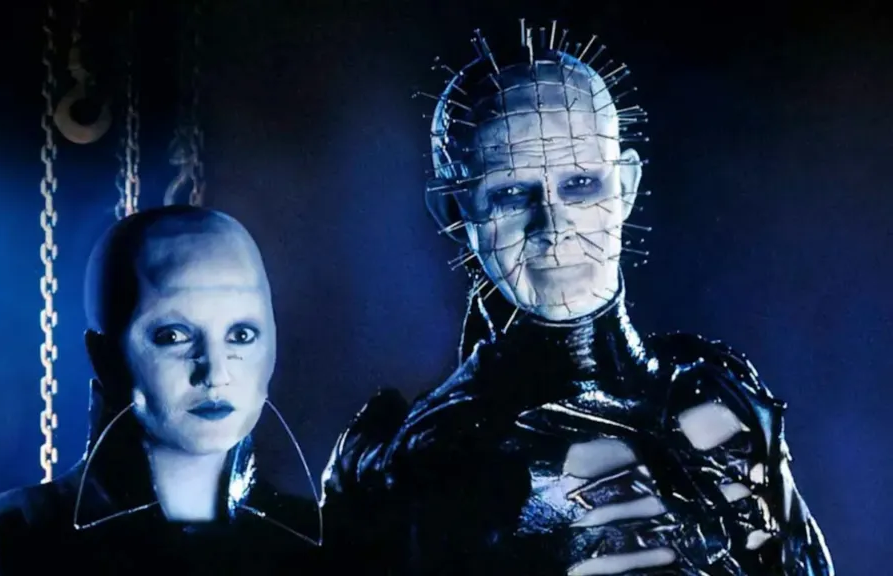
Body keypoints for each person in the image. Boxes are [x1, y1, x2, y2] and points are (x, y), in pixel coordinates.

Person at [321, 22, 834, 575]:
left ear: (626, 187)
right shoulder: (423, 461)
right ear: (454, 212)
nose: (554, 226)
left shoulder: (725, 390)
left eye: (580, 185)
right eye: (510, 194)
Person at [0, 206, 320, 575]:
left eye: (241, 335)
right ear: (103, 355)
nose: (216, 374)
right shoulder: (0, 552)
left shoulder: (319, 545)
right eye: (173, 336)